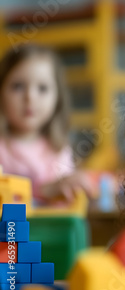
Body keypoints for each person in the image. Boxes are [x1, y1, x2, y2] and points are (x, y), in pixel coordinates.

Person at [0, 44, 92, 203]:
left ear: (58, 98)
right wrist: (45, 190)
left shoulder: (58, 148)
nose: (30, 97)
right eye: (18, 86)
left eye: (42, 88)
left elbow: (66, 198)